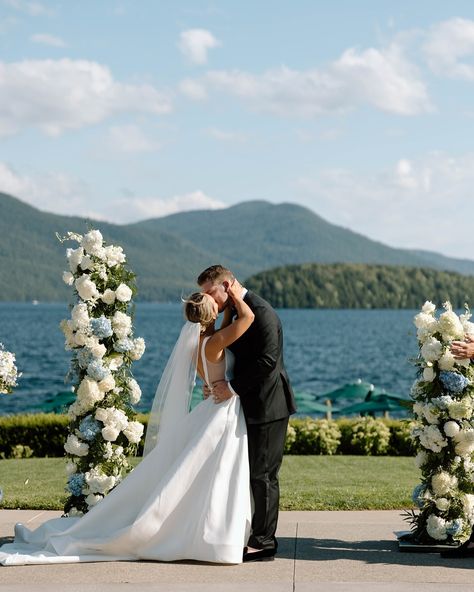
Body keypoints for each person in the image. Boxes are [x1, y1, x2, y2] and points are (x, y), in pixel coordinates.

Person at [0, 285, 255, 566]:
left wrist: (223, 307)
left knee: (209, 475)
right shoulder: (215, 343)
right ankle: (215, 538)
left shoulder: (197, 345)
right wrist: (233, 294)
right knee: (218, 474)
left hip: (212, 406)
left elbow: (225, 331)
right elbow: (248, 319)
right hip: (222, 412)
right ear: (211, 315)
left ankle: (210, 537)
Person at [198, 265, 296, 562]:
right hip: (246, 405)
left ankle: (264, 541)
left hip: (268, 406)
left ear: (226, 285)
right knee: (251, 474)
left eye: (211, 293)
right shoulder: (234, 313)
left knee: (264, 475)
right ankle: (248, 532)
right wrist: (216, 383)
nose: (209, 301)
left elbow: (267, 362)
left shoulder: (262, 313)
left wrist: (231, 387)